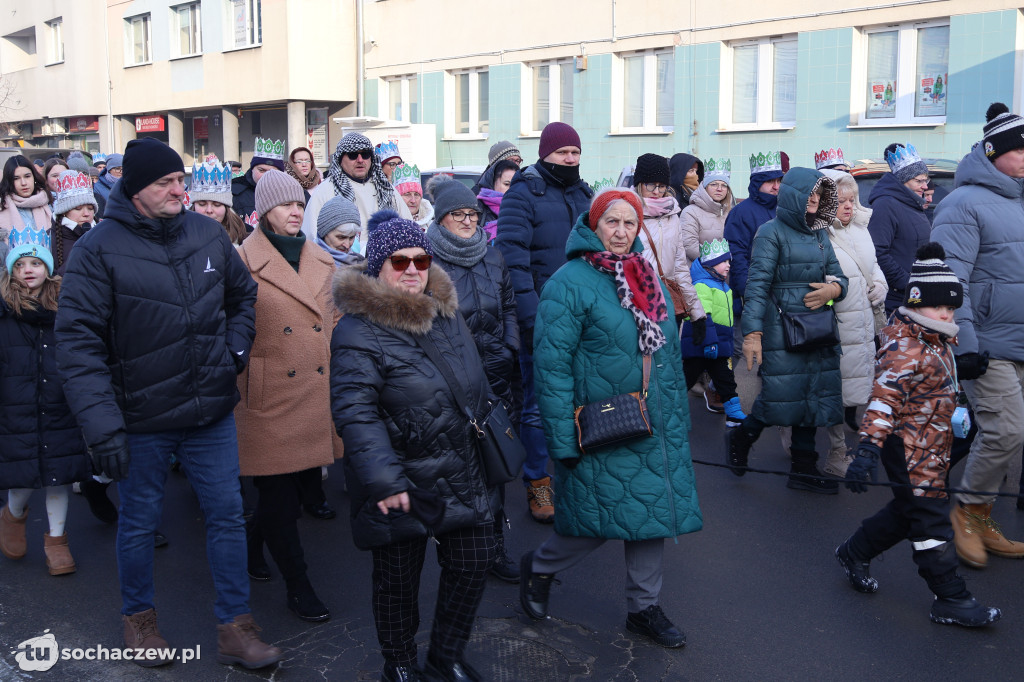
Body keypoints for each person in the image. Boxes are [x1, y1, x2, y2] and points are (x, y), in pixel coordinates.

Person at [54, 137, 281, 669]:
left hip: (210, 413)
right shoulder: (96, 250)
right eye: (166, 183)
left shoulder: (206, 233)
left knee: (228, 516)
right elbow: (78, 344)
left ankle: (236, 627)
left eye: (181, 180)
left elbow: (241, 296)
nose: (181, 190)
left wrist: (235, 351)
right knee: (138, 521)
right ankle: (140, 622)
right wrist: (103, 428)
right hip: (141, 419)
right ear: (135, 189)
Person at [519, 188, 702, 649]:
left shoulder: (648, 277)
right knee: (595, 522)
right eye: (612, 223)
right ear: (593, 226)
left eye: (629, 223)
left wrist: (677, 416)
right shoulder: (568, 282)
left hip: (653, 421)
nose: (621, 233)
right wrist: (562, 441)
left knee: (649, 514)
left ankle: (644, 608)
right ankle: (539, 567)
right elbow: (552, 367)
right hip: (601, 424)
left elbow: (666, 356)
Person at [331, 210, 496, 682]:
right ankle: (400, 664)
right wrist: (384, 480)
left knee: (475, 560)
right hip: (400, 476)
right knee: (398, 580)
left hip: (461, 464)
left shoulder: (445, 312)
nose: (412, 271)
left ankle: (446, 655)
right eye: (399, 262)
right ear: (378, 268)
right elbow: (355, 413)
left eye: (420, 260)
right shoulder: (356, 330)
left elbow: (474, 382)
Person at [837, 243, 1001, 628]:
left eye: (951, 306)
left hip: (931, 442)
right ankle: (950, 597)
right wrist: (866, 452)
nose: (946, 313)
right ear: (914, 303)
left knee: (908, 508)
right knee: (929, 519)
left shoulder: (933, 337)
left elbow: (928, 376)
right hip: (907, 445)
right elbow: (884, 401)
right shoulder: (904, 347)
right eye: (937, 306)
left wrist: (963, 368)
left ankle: (854, 551)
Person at [234, 170, 341, 622]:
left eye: (299, 203)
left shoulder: (322, 259)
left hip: (316, 391)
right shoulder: (241, 260)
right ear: (264, 211)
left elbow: (333, 326)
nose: (295, 211)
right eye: (284, 205)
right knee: (279, 498)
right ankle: (298, 585)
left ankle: (249, 543)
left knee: (296, 492)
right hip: (268, 394)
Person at [932, 102, 1024, 568]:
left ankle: (982, 516)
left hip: (1019, 339)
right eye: (1021, 148)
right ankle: (966, 514)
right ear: (994, 153)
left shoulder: (1020, 199)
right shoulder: (962, 203)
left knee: (1009, 436)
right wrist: (964, 345)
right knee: (1006, 430)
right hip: (986, 343)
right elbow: (950, 283)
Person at [725, 168, 848, 494]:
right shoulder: (770, 232)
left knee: (810, 397)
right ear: (793, 195)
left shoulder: (820, 233)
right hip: (782, 329)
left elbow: (839, 275)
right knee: (782, 397)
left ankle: (803, 470)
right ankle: (742, 436)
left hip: (818, 328)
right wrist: (752, 334)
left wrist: (834, 290)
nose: (813, 199)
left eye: (818, 195)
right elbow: (757, 285)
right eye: (808, 193)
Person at [495, 121, 592, 523]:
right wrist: (532, 318)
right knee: (538, 405)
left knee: (584, 401)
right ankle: (538, 482)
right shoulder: (524, 193)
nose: (570, 159)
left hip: (585, 318)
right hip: (543, 319)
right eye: (562, 153)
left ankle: (575, 477)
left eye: (575, 153)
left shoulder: (585, 194)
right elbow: (512, 259)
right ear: (545, 154)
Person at [426, 174, 520, 584]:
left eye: (472, 214)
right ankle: (456, 546)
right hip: (452, 381)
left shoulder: (493, 256)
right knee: (457, 465)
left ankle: (495, 545)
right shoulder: (426, 261)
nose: (467, 221)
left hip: (496, 375)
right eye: (457, 215)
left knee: (494, 460)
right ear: (441, 218)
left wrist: (510, 347)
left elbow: (510, 305)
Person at [0, 233, 91, 576]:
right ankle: (14, 514)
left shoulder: (65, 307)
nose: (27, 270)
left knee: (58, 476)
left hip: (57, 403)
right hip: (17, 405)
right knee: (22, 477)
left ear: (48, 269)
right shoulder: (5, 313)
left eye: (35, 262)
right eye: (20, 264)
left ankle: (57, 541)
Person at [817, 169, 888, 478]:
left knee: (860, 386)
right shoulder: (818, 235)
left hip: (864, 321)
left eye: (852, 199)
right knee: (836, 390)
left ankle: (860, 448)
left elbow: (873, 266)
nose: (848, 206)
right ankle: (835, 453)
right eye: (841, 200)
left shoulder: (860, 229)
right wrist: (834, 290)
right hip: (835, 322)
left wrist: (881, 285)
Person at [301, 132, 412, 250]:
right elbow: (312, 237)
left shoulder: (386, 189)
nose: (360, 160)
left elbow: (408, 228)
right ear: (340, 159)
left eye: (365, 155)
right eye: (353, 155)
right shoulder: (325, 191)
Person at [631, 152, 705, 329]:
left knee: (669, 356)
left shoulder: (672, 215)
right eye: (651, 185)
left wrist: (697, 313)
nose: (657, 192)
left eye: (662, 186)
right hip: (636, 303)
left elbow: (680, 267)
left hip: (667, 301)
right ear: (639, 184)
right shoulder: (627, 213)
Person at [680, 239, 745, 427]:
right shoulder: (702, 285)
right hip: (702, 344)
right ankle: (670, 411)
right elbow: (703, 316)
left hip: (720, 344)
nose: (728, 265)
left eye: (729, 262)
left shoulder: (723, 285)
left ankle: (734, 414)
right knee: (687, 377)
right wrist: (710, 342)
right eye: (724, 261)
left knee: (726, 380)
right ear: (711, 263)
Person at [866, 143, 930, 315]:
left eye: (926, 180)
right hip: (897, 300)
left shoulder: (913, 204)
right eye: (919, 181)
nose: (925, 186)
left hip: (917, 296)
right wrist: (906, 282)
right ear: (903, 181)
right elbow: (877, 252)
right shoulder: (886, 204)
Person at [0, 156, 51, 271]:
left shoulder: (48, 203)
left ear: (34, 176)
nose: (23, 183)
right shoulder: (2, 206)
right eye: (16, 178)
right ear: (9, 181)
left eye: (27, 176)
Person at [680, 158, 734, 263]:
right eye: (714, 184)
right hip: (701, 272)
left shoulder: (731, 212)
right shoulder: (690, 212)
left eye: (724, 185)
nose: (719, 189)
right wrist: (718, 261)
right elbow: (690, 246)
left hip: (726, 273)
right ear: (705, 187)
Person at [190, 155, 247, 246]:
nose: (209, 210)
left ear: (226, 208)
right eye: (202, 204)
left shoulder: (244, 240)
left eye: (216, 204)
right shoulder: (177, 238)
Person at [50, 170, 97, 277]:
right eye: (78, 208)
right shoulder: (49, 239)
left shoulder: (102, 235)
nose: (86, 214)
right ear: (64, 212)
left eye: (90, 208)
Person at [232, 137, 287, 228]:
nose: (266, 176)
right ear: (252, 169)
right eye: (261, 170)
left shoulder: (292, 193)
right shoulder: (234, 192)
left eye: (272, 172)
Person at [314, 195, 365, 267]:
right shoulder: (310, 262)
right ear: (324, 233)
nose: (347, 245)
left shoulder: (360, 263)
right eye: (341, 237)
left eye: (351, 238)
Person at [478, 159, 518, 242]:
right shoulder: (477, 208)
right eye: (507, 184)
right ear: (492, 182)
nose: (512, 189)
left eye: (515, 184)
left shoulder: (524, 208)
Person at [393, 163, 433, 229]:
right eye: (407, 194)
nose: (413, 200)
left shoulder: (431, 226)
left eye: (416, 195)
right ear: (397, 198)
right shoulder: (388, 226)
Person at [92, 152, 123, 218]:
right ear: (109, 169)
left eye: (123, 168)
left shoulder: (128, 184)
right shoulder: (98, 187)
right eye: (117, 168)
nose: (121, 171)